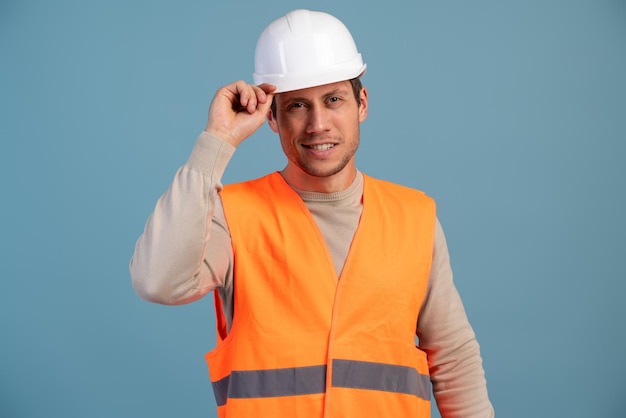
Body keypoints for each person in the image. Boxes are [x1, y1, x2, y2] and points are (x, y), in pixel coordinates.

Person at [130, 9, 494, 418]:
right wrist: (217, 140)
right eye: (298, 105)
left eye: (333, 100)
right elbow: (157, 282)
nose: (317, 124)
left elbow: (453, 357)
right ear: (272, 118)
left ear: (362, 103)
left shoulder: (414, 218)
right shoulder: (233, 216)